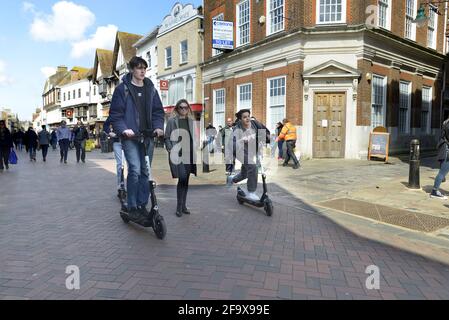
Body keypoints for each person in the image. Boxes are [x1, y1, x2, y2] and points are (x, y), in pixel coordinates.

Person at [109, 56, 165, 222]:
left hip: (147, 136)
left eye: (144, 68)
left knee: (145, 172)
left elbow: (157, 111)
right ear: (132, 70)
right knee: (134, 169)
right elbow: (116, 114)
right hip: (130, 137)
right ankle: (132, 205)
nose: (142, 71)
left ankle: (142, 204)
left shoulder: (151, 89)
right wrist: (123, 129)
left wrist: (158, 127)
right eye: (139, 68)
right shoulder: (122, 89)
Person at [226, 109, 269, 202]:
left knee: (245, 173)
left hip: (251, 151)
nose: (247, 118)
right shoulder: (237, 129)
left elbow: (264, 131)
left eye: (248, 116)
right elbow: (231, 144)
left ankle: (232, 179)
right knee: (253, 167)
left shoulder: (255, 124)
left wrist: (265, 139)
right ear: (240, 119)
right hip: (240, 152)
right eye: (244, 117)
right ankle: (251, 192)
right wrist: (240, 141)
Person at [165, 99, 198, 218]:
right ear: (177, 109)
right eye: (181, 107)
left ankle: (184, 205)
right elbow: (167, 137)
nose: (184, 110)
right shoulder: (172, 121)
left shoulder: (191, 121)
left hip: (189, 154)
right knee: (182, 178)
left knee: (186, 180)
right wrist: (170, 149)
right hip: (177, 154)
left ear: (188, 109)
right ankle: (179, 207)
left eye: (186, 107)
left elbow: (193, 137)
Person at [104, 117, 125, 198]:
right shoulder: (115, 113)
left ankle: (131, 188)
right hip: (117, 141)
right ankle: (120, 186)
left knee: (132, 166)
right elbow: (106, 125)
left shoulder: (130, 110)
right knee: (120, 164)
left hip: (129, 141)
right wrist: (109, 132)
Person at [431, 119, 449, 200]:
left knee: (442, 172)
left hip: (445, 149)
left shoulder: (446, 122)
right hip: (446, 150)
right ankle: (434, 191)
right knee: (442, 172)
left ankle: (435, 190)